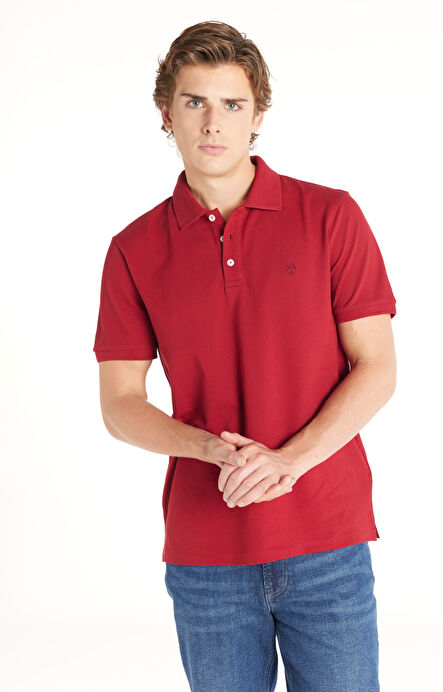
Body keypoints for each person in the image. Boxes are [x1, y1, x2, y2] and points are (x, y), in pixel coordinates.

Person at [93, 20, 397, 692]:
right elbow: (119, 404)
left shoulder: (330, 216)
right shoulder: (133, 249)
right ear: (165, 113)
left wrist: (287, 461)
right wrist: (211, 449)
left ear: (258, 116)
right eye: (194, 101)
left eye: (232, 104)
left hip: (326, 538)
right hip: (207, 553)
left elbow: (377, 367)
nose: (213, 122)